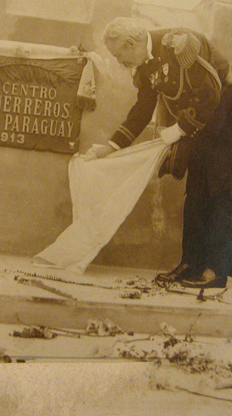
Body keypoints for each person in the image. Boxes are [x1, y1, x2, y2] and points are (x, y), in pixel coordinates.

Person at [84, 16, 231, 288]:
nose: (120, 63)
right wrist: (111, 146)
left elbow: (211, 95)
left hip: (226, 117)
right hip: (201, 123)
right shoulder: (144, 65)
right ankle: (190, 264)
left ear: (131, 43)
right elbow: (142, 110)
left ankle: (215, 271)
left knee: (220, 190)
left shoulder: (181, 44)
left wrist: (178, 130)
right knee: (196, 190)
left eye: (120, 56)